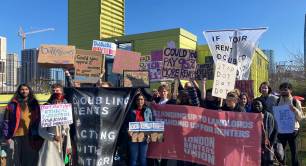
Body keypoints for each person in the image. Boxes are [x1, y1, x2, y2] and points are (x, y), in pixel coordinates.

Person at [2, 84, 43, 166]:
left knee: (30, 158)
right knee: (15, 159)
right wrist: (7, 136)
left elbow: (39, 119)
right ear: (19, 91)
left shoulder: (34, 103)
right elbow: (6, 121)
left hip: (30, 135)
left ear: (29, 91)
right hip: (15, 136)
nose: (24, 91)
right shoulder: (12, 104)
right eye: (22, 89)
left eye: (26, 89)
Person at [37, 83, 72, 166]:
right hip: (51, 144)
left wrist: (69, 146)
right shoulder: (47, 108)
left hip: (64, 142)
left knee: (64, 162)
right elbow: (41, 131)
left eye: (57, 90)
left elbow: (68, 130)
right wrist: (53, 137)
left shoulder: (66, 109)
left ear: (62, 92)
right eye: (53, 91)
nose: (55, 92)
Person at [275, 82, 302, 166]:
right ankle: (282, 164)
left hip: (293, 130)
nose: (283, 91)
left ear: (290, 90)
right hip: (281, 130)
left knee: (294, 151)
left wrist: (295, 110)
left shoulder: (295, 101)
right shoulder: (278, 100)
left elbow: (300, 117)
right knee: (280, 151)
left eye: (285, 89)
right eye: (281, 90)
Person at [127, 93, 153, 166]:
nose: (140, 101)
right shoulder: (131, 110)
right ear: (135, 101)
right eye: (138, 99)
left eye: (141, 99)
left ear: (144, 100)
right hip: (133, 136)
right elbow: (126, 123)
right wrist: (128, 130)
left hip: (144, 137)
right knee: (133, 158)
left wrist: (149, 135)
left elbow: (151, 123)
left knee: (143, 158)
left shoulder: (148, 110)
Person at [251, 98, 278, 166]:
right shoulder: (249, 116)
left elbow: (275, 130)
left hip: (267, 145)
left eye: (258, 104)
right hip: (254, 145)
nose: (256, 106)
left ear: (262, 105)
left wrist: (271, 144)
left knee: (267, 162)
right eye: (255, 104)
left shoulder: (269, 116)